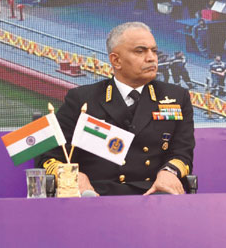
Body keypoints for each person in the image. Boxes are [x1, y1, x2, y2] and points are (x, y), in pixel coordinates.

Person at [38, 22, 194, 196]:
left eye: (154, 51)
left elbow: (182, 152)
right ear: (116, 60)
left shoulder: (177, 98)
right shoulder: (82, 99)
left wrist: (170, 173)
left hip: (153, 194)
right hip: (97, 197)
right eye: (140, 51)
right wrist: (74, 176)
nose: (151, 58)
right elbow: (47, 155)